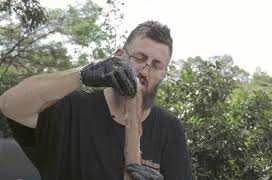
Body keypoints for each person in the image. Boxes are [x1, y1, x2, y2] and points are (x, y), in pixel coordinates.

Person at [0, 20, 192, 180]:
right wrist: (82, 74)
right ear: (118, 56)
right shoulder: (71, 108)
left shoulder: (169, 128)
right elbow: (10, 105)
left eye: (156, 65)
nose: (145, 70)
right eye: (139, 58)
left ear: (163, 74)